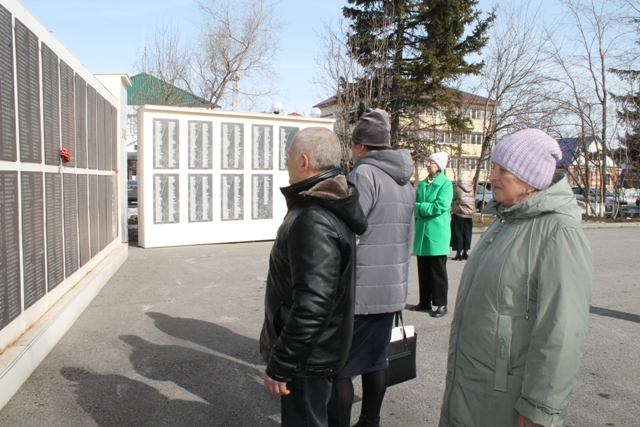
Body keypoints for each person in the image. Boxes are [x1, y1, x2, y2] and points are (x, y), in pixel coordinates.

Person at [438, 129, 593, 427]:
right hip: (473, 384)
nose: (492, 177)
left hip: (507, 396)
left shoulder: (560, 234)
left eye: (502, 170)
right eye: (493, 167)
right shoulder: (504, 222)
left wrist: (539, 408)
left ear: (530, 179)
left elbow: (562, 331)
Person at [260, 127, 368, 427]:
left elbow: (312, 304)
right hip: (319, 351)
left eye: (289, 156)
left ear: (304, 161)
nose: (286, 162)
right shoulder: (325, 205)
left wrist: (282, 362)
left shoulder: (314, 218)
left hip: (308, 359)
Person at [336, 109, 415, 427]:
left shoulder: (363, 174)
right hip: (392, 285)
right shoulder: (405, 180)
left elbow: (349, 232)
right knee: (375, 360)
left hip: (362, 290)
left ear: (360, 145)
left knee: (339, 368)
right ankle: (370, 421)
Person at [412, 152, 453, 317]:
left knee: (438, 271)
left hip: (437, 232)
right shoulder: (423, 184)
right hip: (422, 232)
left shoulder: (446, 184)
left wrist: (420, 208)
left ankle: (441, 304)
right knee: (423, 269)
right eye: (428, 161)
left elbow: (440, 206)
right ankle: (424, 301)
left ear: (439, 165)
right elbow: (414, 203)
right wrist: (420, 207)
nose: (427, 164)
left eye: (431, 162)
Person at [450, 171, 476, 261]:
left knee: (458, 233)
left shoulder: (457, 187)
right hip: (469, 214)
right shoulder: (470, 187)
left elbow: (453, 198)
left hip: (459, 212)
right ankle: (466, 252)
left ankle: (459, 253)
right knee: (467, 233)